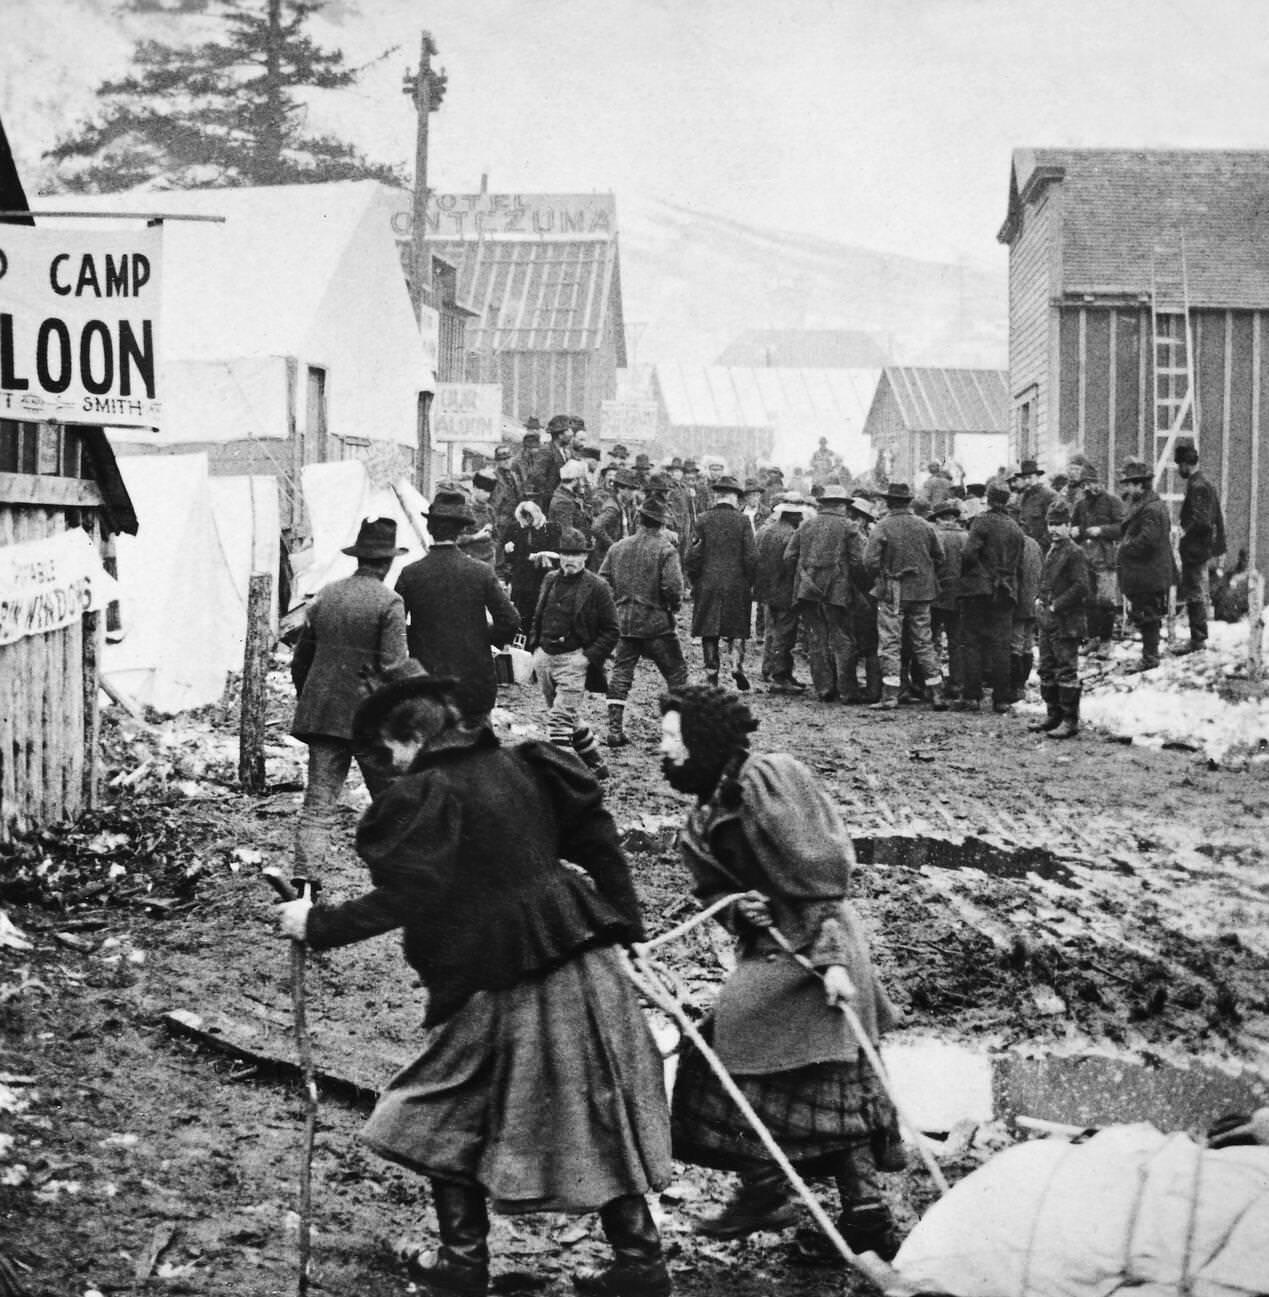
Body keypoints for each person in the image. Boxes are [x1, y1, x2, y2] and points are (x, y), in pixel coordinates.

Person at [275, 667, 673, 1297]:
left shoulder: (429, 792)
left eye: (390, 749)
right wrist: (627, 926)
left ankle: (463, 1263)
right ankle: (640, 1264)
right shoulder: (526, 765)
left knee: (435, 1107)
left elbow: (411, 890)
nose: (391, 763)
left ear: (410, 739)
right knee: (594, 1103)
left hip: (505, 978)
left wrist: (317, 924)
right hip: (584, 957)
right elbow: (599, 839)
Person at [656, 686, 904, 1260]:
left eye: (672, 738)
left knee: (813, 1074)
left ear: (703, 741)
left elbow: (823, 875)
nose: (663, 749)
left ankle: (790, 1196)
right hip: (773, 947)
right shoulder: (707, 809)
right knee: (813, 1079)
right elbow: (714, 889)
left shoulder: (768, 780)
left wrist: (834, 961)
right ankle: (824, 1205)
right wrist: (742, 906)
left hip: (817, 946)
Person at [289, 516, 410, 879]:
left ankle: (305, 886)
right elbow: (394, 670)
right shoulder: (390, 601)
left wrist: (314, 700)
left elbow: (301, 661)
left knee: (318, 807)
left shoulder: (326, 594)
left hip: (323, 716)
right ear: (388, 563)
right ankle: (402, 878)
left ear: (359, 557)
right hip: (370, 722)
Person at [396, 490, 521, 726]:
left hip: (427, 682)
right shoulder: (480, 572)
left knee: (432, 756)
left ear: (430, 529)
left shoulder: (411, 574)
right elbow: (511, 620)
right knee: (476, 757)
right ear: (463, 530)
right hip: (474, 682)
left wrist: (416, 641)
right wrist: (483, 637)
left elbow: (395, 625)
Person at [527, 528, 619, 780]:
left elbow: (612, 630)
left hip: (574, 660)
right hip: (545, 657)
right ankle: (596, 764)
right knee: (568, 716)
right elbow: (539, 614)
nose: (570, 559)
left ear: (586, 557)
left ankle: (563, 779)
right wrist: (536, 648)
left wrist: (587, 657)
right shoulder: (549, 579)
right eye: (565, 554)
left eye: (576, 555)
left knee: (559, 720)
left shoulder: (597, 587)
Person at [598, 497, 689, 748]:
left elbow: (602, 582)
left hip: (624, 622)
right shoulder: (665, 549)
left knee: (621, 674)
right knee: (676, 674)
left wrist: (616, 605)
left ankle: (614, 730)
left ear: (639, 519)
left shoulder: (617, 548)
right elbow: (673, 587)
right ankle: (676, 733)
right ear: (661, 524)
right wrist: (674, 607)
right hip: (656, 624)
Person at [863, 482, 946, 710]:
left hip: (893, 592)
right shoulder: (926, 526)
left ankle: (890, 695)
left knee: (890, 642)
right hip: (922, 592)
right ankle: (936, 692)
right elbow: (940, 557)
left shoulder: (882, 526)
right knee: (924, 641)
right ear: (908, 502)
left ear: (889, 503)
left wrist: (884, 575)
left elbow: (869, 561)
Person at [785, 483, 864, 702]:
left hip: (808, 590)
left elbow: (788, 557)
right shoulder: (849, 527)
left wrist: (805, 575)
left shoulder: (806, 525)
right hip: (838, 591)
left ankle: (824, 688)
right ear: (841, 505)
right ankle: (847, 691)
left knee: (816, 637)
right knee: (842, 638)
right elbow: (858, 561)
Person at [957, 484, 1025, 713]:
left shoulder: (982, 521)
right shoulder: (1015, 527)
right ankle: (1001, 699)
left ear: (988, 499)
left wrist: (971, 575)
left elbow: (968, 554)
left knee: (973, 642)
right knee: (1001, 645)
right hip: (1005, 592)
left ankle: (972, 697)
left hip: (979, 591)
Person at [685, 474, 757, 690]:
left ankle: (711, 673)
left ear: (717, 496)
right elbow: (751, 556)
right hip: (737, 583)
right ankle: (736, 665)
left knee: (709, 628)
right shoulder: (743, 521)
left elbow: (692, 556)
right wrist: (749, 580)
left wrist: (695, 580)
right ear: (735, 497)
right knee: (737, 627)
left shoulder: (703, 519)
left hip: (708, 582)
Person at [1029, 500, 1092, 739]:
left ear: (1068, 526)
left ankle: (1069, 720)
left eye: (1059, 524)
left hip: (1067, 621)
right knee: (1047, 667)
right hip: (1049, 620)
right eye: (1050, 524)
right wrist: (1040, 600)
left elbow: (1081, 587)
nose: (1053, 529)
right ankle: (1052, 715)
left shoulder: (1074, 552)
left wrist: (1056, 605)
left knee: (1066, 670)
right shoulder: (1052, 549)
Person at [1116, 458, 1173, 674]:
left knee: (1148, 615)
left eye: (1130, 484)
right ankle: (1149, 655)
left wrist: (1125, 547)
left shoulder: (1151, 509)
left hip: (1149, 573)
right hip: (1146, 573)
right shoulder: (1146, 505)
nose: (1128, 489)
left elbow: (1148, 541)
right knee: (1146, 613)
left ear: (1141, 485)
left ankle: (1150, 657)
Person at [1174, 436, 1226, 655]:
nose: (1179, 469)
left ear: (1186, 464)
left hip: (1195, 549)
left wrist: (1185, 532)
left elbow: (1202, 520)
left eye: (1180, 465)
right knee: (1197, 591)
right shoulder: (1201, 482)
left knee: (1194, 592)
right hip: (1199, 547)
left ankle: (1198, 640)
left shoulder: (1197, 485)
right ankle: (1198, 638)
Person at [754, 496, 807, 694]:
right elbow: (791, 563)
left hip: (768, 590)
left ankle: (775, 670)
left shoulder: (766, 531)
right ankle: (780, 676)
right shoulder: (792, 535)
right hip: (785, 591)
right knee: (785, 634)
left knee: (772, 631)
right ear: (793, 515)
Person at [1070, 462, 1124, 658]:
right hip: (1085, 558)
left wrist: (1102, 530)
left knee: (1106, 602)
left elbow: (1121, 528)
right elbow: (1074, 528)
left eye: (1090, 484)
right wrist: (1073, 531)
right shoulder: (1081, 505)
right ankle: (1093, 639)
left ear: (1099, 482)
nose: (1087, 488)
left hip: (1105, 558)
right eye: (1083, 485)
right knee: (1088, 601)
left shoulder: (1112, 502)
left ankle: (1106, 642)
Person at [929, 499, 967, 706]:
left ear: (938, 519)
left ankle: (932, 683)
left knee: (931, 640)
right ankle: (957, 684)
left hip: (935, 595)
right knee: (957, 642)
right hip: (960, 596)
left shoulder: (935, 536)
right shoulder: (966, 537)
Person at [504, 498, 561, 629]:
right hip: (521, 578)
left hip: (541, 577)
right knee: (520, 614)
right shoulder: (514, 528)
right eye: (524, 516)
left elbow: (556, 551)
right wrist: (509, 549)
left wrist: (543, 555)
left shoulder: (551, 528)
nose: (527, 519)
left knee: (539, 612)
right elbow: (509, 557)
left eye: (530, 515)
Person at [1008, 529, 1043, 702]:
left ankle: (1016, 687)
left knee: (1016, 644)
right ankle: (1021, 684)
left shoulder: (1013, 543)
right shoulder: (1034, 544)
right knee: (1027, 644)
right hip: (1032, 600)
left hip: (1017, 601)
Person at [1015, 459, 1055, 549]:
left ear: (1037, 476)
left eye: (1030, 477)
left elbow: (1054, 524)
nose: (1027, 481)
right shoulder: (1024, 497)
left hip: (1043, 548)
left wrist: (1041, 544)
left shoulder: (1049, 495)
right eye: (1025, 478)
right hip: (1026, 547)